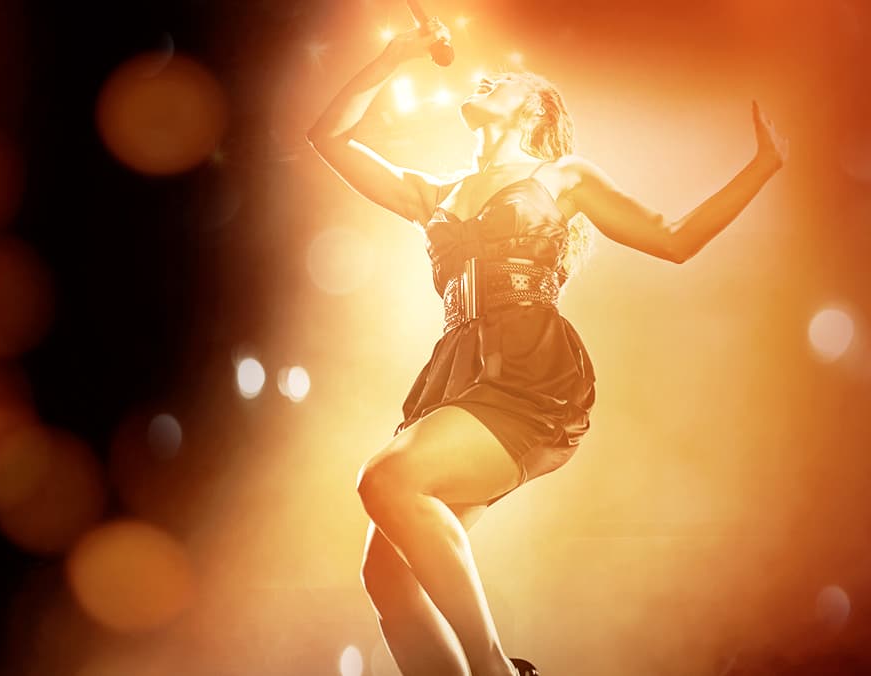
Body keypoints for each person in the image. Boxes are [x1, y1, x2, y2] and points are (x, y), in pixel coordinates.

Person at [305, 16, 788, 676]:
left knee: (386, 480)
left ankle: (496, 669)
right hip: (456, 379)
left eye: (507, 81)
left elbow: (674, 239)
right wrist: (392, 56)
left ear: (535, 109)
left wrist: (763, 166)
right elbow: (327, 137)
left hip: (528, 375)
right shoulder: (433, 193)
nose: (488, 80)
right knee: (386, 579)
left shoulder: (562, 177)